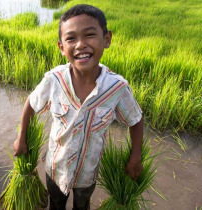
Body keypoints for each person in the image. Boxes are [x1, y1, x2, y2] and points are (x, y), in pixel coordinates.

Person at [13, 4, 143, 210]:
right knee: (55, 204)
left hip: (88, 172)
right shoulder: (54, 80)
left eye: (90, 35)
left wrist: (136, 156)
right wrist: (21, 137)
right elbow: (31, 102)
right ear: (61, 47)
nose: (80, 44)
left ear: (106, 39)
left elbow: (135, 120)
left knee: (82, 205)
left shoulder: (117, 88)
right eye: (71, 38)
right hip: (56, 168)